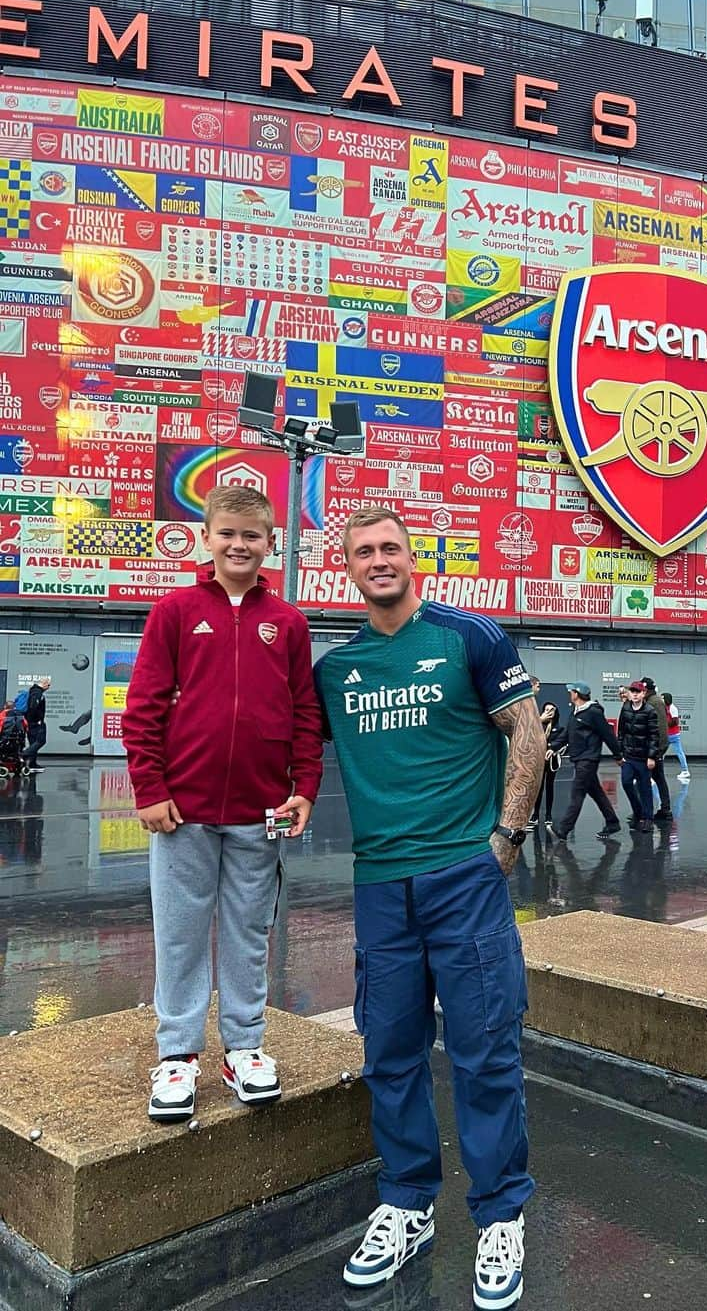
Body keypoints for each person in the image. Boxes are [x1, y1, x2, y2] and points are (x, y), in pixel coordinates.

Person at [314, 506, 543, 1307]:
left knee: (485, 1050)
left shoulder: (469, 637)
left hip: (464, 877)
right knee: (391, 1050)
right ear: (347, 567)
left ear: (413, 559)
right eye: (363, 551)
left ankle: (499, 1214)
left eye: (391, 548)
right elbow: (278, 743)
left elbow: (527, 733)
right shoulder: (335, 668)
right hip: (381, 883)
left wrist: (506, 838)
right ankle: (407, 1202)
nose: (379, 560)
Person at [122, 485, 323, 1124]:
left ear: (271, 544)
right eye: (228, 533)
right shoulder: (175, 611)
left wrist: (305, 786)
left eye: (253, 536)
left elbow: (304, 714)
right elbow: (143, 709)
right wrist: (151, 790)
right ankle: (178, 1056)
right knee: (180, 935)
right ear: (207, 538)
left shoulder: (287, 622)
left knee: (248, 934)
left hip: (259, 813)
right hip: (181, 811)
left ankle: (244, 1047)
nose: (240, 545)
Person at [552, 683, 622, 841]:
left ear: (577, 694)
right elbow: (567, 734)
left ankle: (563, 830)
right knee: (596, 793)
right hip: (579, 758)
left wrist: (617, 755)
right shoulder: (575, 712)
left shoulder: (593, 713)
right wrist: (552, 747)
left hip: (588, 758)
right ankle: (613, 822)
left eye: (572, 691)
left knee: (577, 793)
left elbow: (607, 734)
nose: (570, 693)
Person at [618, 681, 660, 831]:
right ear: (629, 693)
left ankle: (648, 818)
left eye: (638, 692)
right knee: (626, 782)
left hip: (643, 757)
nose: (635, 694)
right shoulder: (626, 708)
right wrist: (620, 752)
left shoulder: (650, 711)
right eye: (632, 691)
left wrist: (651, 756)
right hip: (628, 756)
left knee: (645, 788)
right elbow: (621, 731)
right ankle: (638, 811)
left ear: (643, 694)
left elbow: (654, 735)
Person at [529, 702, 567, 829]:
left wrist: (551, 747)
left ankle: (549, 815)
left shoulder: (559, 728)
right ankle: (535, 815)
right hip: (539, 760)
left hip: (551, 761)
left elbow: (561, 741)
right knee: (538, 788)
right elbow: (532, 736)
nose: (549, 712)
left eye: (552, 710)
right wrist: (539, 720)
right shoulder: (539, 725)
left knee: (549, 787)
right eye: (547, 709)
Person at [639, 677, 672, 820]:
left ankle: (652, 810)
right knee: (658, 778)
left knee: (648, 778)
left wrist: (656, 750)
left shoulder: (654, 703)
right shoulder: (654, 701)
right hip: (656, 747)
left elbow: (659, 728)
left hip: (654, 748)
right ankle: (664, 809)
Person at [23, 678, 50, 772]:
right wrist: (38, 719)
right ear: (44, 684)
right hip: (35, 721)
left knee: (33, 741)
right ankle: (24, 755)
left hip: (30, 721)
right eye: (48, 685)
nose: (48, 687)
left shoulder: (33, 692)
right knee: (41, 740)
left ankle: (32, 763)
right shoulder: (37, 693)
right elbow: (33, 707)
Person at [661, 692, 690, 780]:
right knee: (660, 754)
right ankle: (658, 771)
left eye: (662, 698)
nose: (661, 700)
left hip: (672, 734)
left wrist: (664, 723)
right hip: (667, 734)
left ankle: (685, 771)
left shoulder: (672, 708)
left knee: (678, 752)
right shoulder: (665, 708)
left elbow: (675, 721)